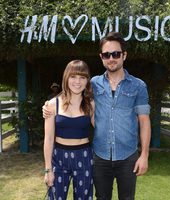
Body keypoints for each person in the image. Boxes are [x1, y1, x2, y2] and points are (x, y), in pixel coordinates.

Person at [43, 32, 151, 200]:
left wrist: (144, 155)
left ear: (124, 55)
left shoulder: (138, 86)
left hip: (128, 155)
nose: (111, 58)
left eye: (116, 54)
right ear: (101, 57)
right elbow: (72, 95)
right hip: (99, 156)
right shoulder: (93, 84)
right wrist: (49, 106)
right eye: (107, 54)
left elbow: (144, 121)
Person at [43, 60, 94, 200]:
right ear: (66, 78)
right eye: (73, 76)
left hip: (84, 156)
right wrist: (48, 170)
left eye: (82, 77)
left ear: (87, 81)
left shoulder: (91, 104)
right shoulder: (53, 104)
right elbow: (48, 139)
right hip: (58, 158)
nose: (77, 81)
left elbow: (103, 129)